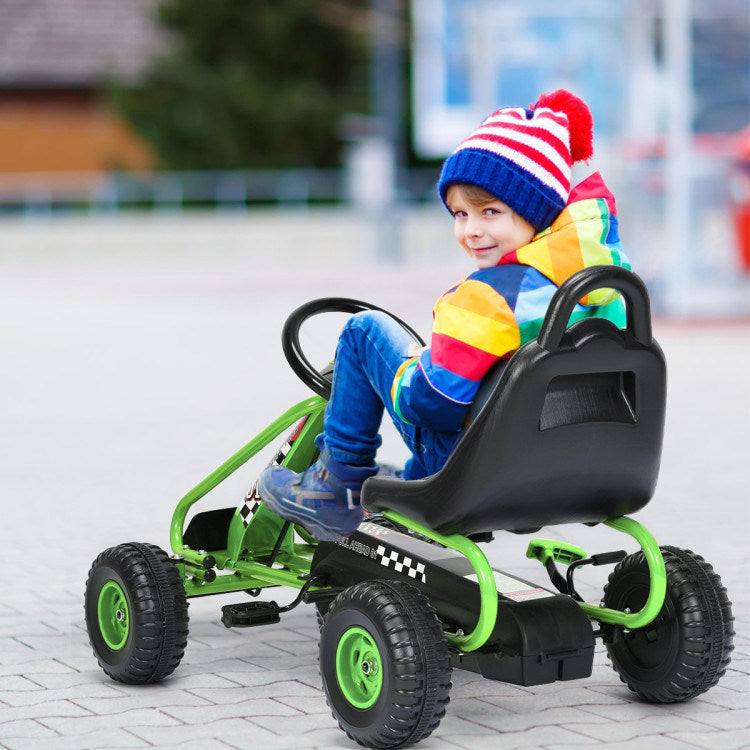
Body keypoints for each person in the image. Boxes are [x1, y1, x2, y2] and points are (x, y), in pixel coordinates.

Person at [258, 89, 631, 542]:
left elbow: (431, 404)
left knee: (364, 332)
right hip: (570, 466)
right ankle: (398, 481)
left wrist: (419, 366)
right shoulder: (604, 283)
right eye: (459, 214)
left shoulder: (489, 298)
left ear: (537, 212)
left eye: (490, 212)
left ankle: (337, 489)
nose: (472, 230)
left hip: (473, 469)